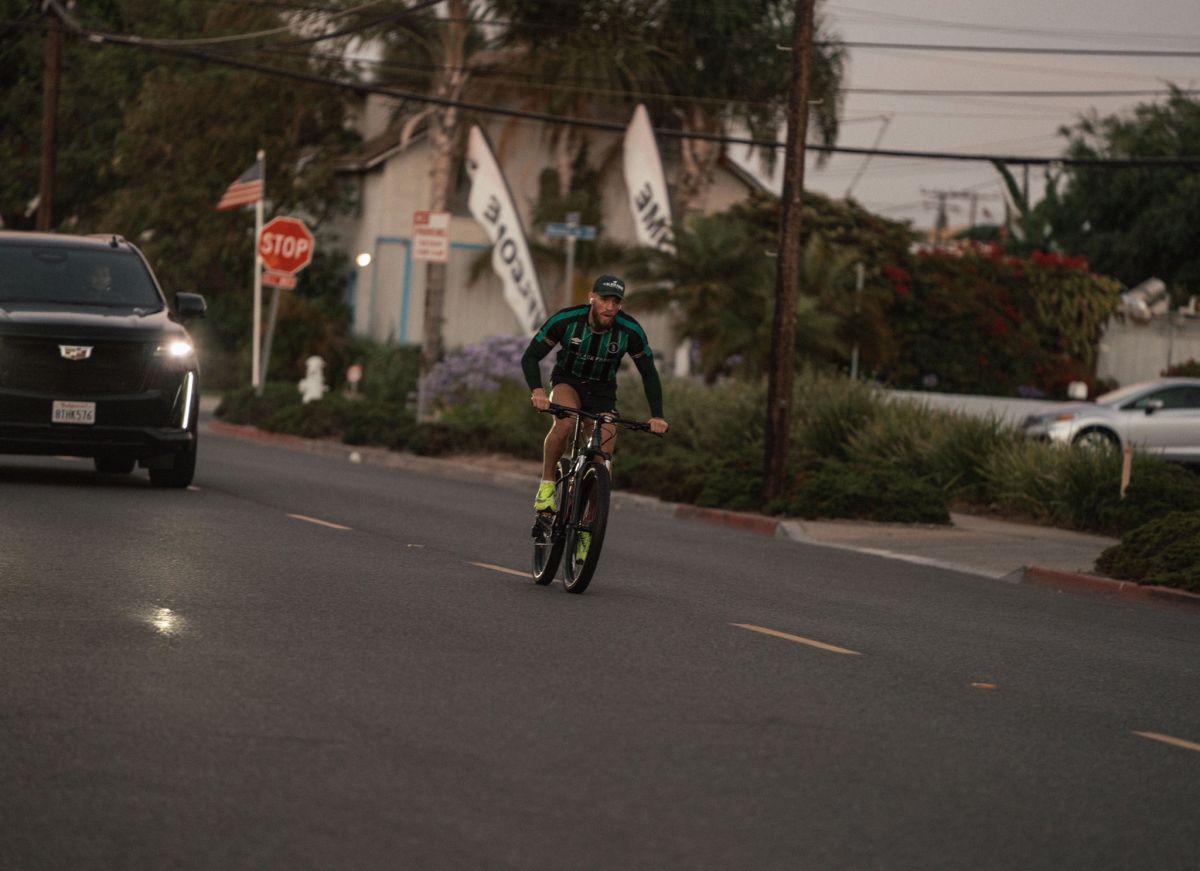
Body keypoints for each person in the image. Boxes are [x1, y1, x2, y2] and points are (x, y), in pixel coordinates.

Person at [521, 274, 669, 549]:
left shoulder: (630, 331)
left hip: (602, 392)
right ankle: (547, 485)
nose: (609, 307)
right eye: (604, 299)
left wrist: (657, 415)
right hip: (568, 382)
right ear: (592, 297)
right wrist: (538, 392)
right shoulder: (566, 320)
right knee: (565, 423)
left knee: (604, 455)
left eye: (615, 301)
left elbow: (649, 373)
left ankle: (588, 526)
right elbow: (530, 356)